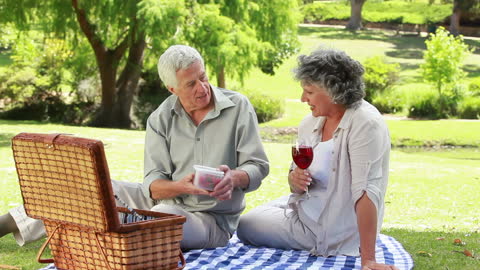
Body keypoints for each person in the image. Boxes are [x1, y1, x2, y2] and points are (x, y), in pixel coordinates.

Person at [0, 45, 269, 250]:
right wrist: (183, 186)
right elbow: (152, 185)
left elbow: (257, 166)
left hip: (210, 220)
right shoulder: (160, 119)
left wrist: (233, 178)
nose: (203, 87)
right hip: (164, 200)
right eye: (191, 83)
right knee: (92, 188)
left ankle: (105, 236)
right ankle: (7, 224)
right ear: (172, 88)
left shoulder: (238, 107)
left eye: (203, 77)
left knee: (162, 217)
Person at [237, 48, 398, 270]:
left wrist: (368, 259)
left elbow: (366, 192)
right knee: (248, 220)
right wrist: (295, 180)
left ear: (332, 91)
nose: (303, 98)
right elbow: (294, 181)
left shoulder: (365, 124)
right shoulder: (310, 123)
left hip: (329, 230)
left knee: (245, 226)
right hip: (305, 208)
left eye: (309, 92)